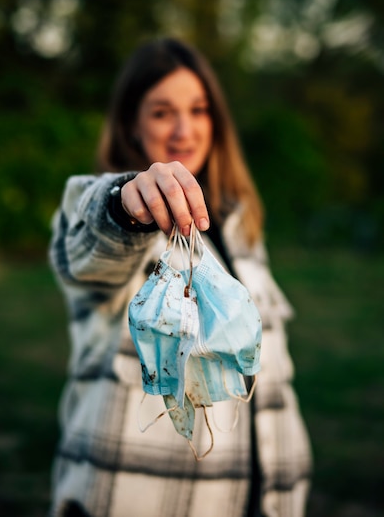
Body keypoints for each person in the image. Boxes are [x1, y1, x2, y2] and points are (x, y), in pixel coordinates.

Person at [48, 37, 312, 517]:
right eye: (162, 112)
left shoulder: (240, 225)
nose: (184, 130)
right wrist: (126, 202)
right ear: (131, 123)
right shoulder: (120, 220)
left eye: (199, 109)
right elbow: (87, 252)